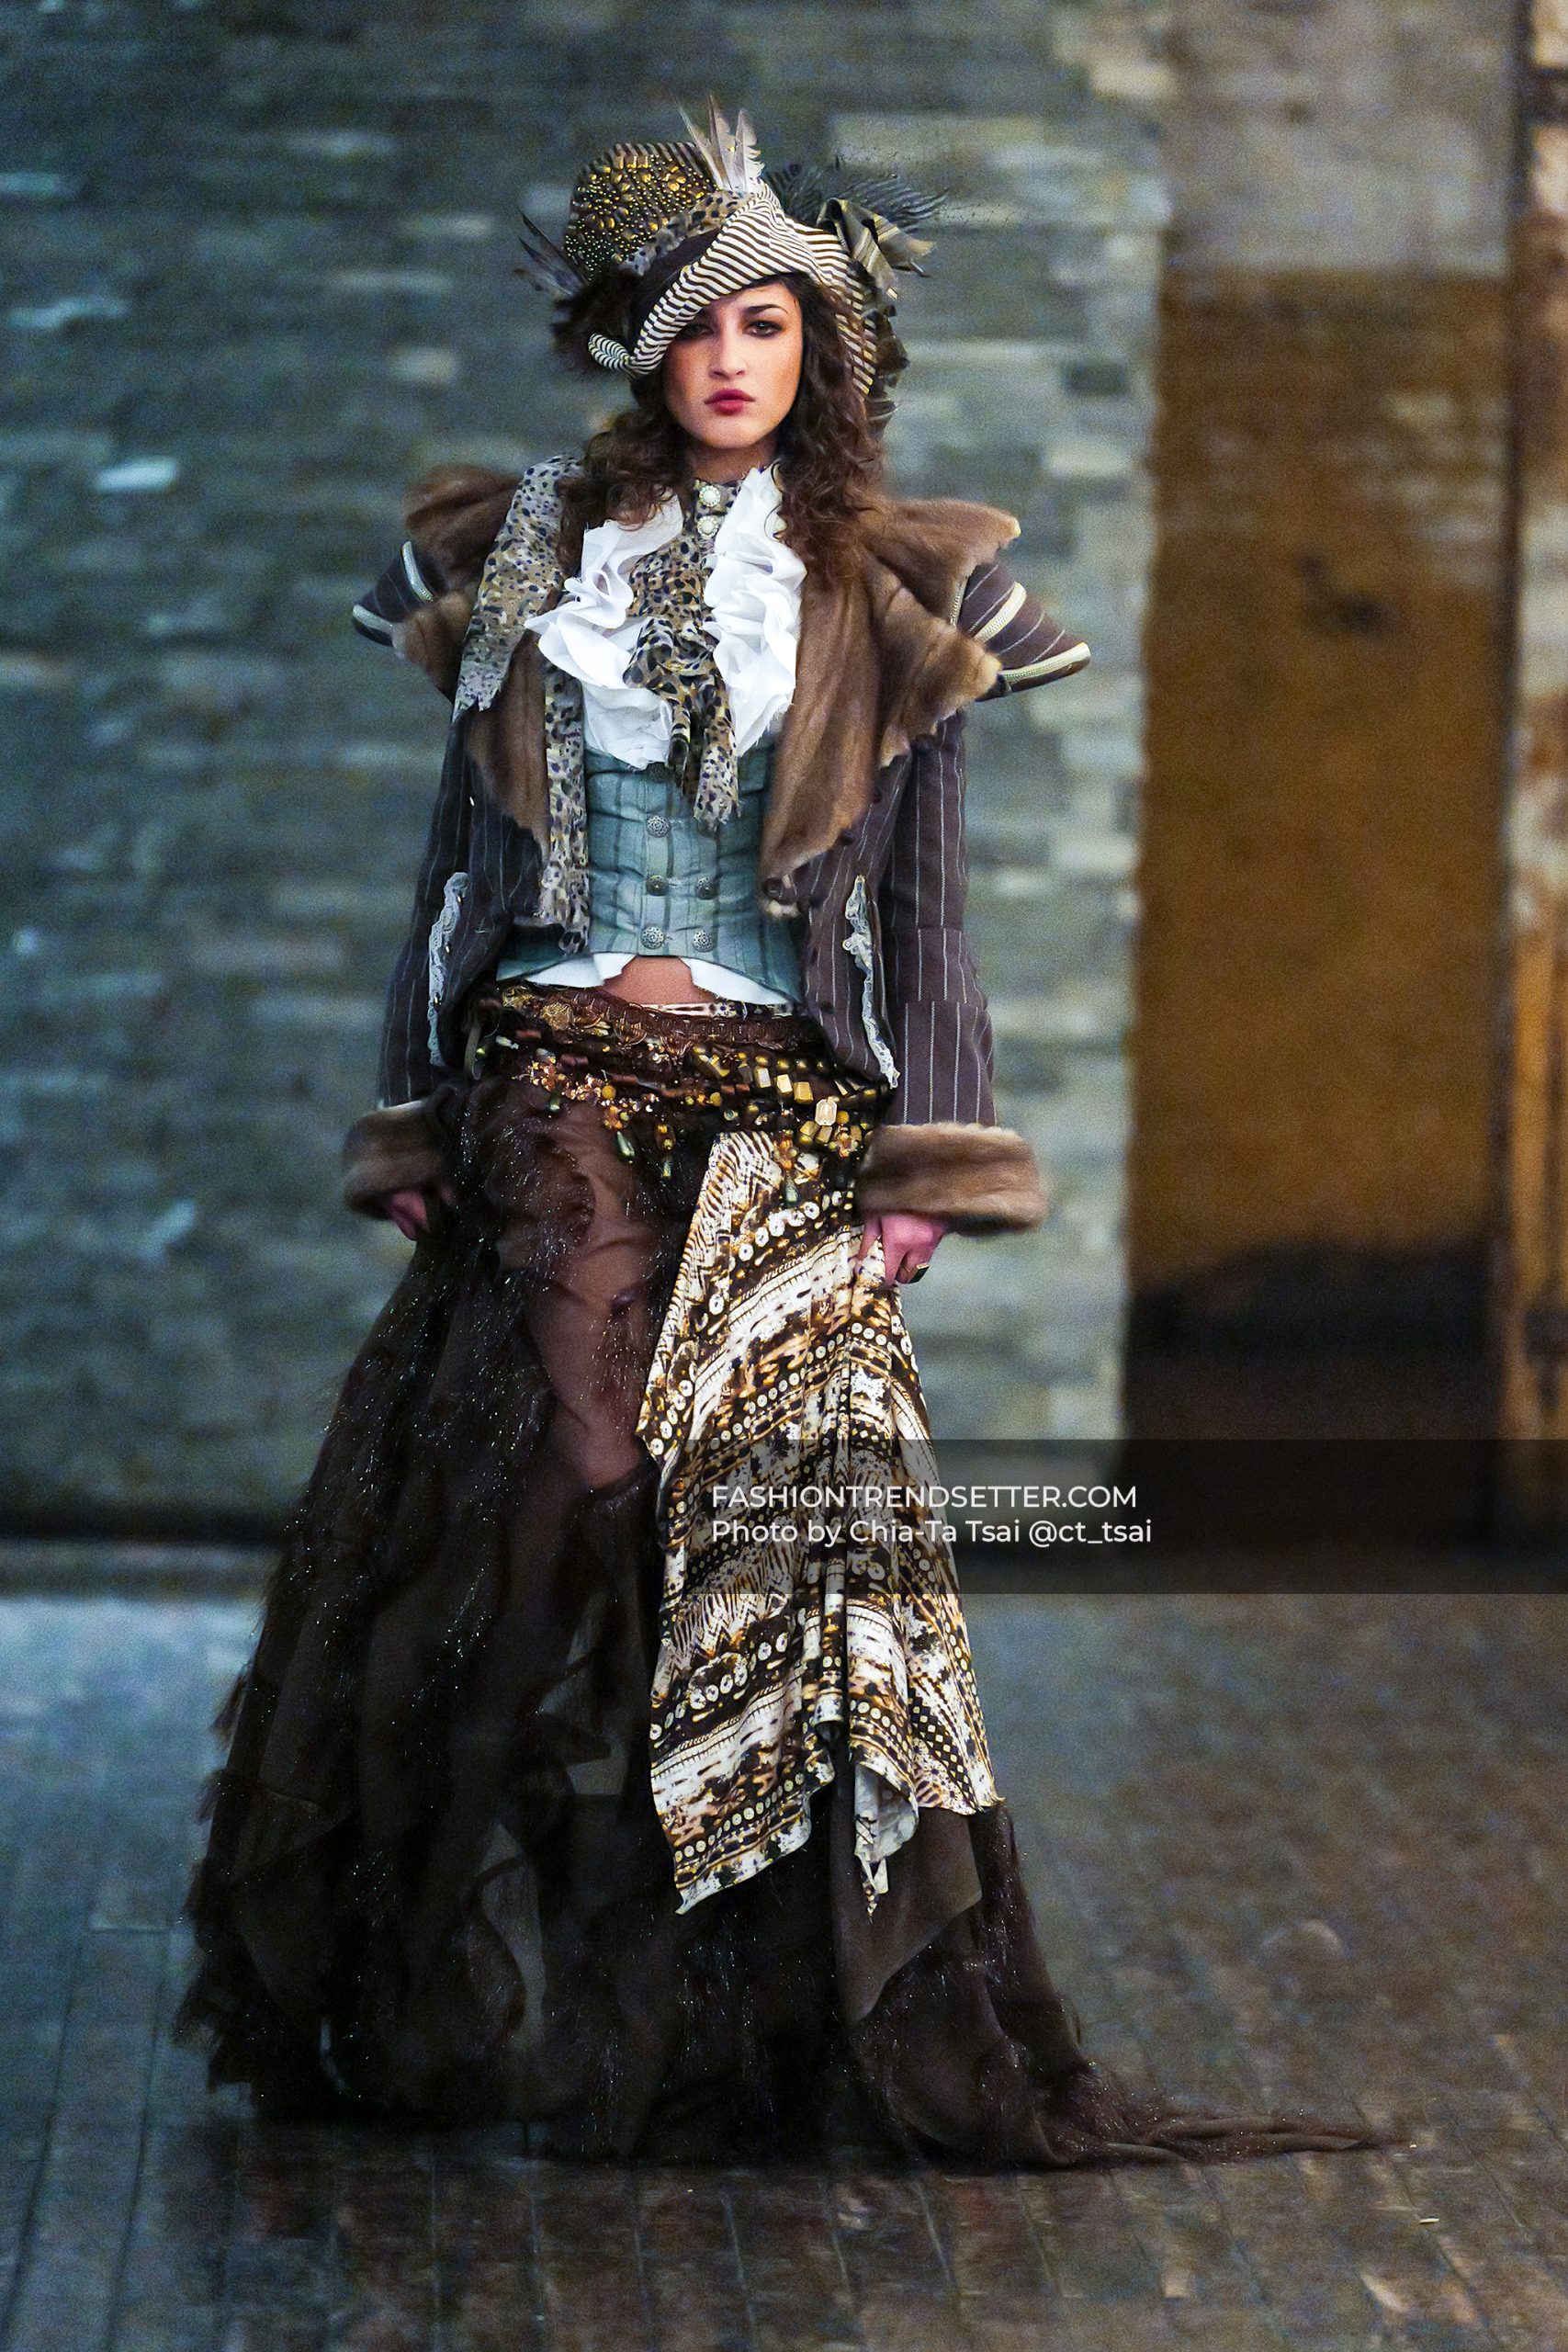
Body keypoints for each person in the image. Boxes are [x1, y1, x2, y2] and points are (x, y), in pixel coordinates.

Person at [175, 107, 1392, 2167]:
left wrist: (930, 1155)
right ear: (633, 346)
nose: (728, 358)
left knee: (777, 1531)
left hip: (784, 1092)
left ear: (818, 350)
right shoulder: (523, 552)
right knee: (585, 1466)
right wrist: (410, 1108)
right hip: (557, 1067)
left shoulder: (897, 588)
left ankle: (715, 2003)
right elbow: (453, 865)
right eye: (692, 323)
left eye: (765, 324)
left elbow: (926, 906)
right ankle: (476, 1929)